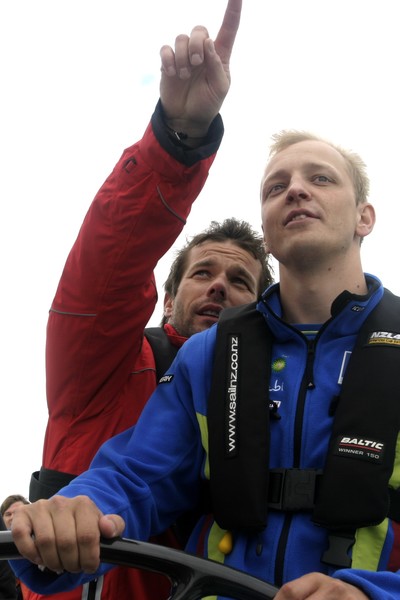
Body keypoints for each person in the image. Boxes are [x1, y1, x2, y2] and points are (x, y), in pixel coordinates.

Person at [10, 119, 400, 599]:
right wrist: (73, 511)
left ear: (365, 217)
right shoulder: (209, 355)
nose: (295, 190)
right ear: (268, 232)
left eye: (320, 178)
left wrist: (376, 593)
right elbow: (138, 477)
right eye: (276, 187)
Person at [26, 0, 272, 599]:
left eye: (241, 281)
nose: (219, 285)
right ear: (166, 299)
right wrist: (178, 138)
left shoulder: (290, 398)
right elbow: (111, 261)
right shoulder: (101, 366)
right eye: (203, 273)